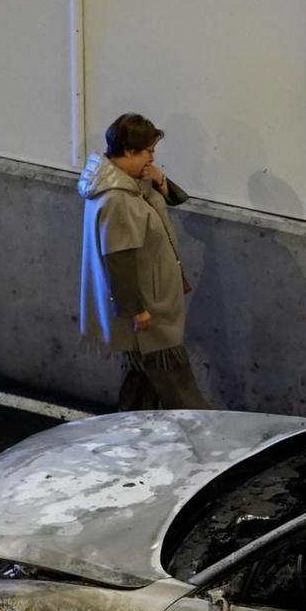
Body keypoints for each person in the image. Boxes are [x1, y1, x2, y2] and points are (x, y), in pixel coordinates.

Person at [77, 113, 209, 411]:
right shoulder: (117, 198)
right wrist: (136, 310)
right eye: (148, 152)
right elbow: (118, 259)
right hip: (149, 308)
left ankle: (128, 441)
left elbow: (175, 199)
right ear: (129, 151)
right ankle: (208, 441)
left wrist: (159, 179)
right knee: (179, 387)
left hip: (153, 301)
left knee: (141, 385)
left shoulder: (132, 183)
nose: (152, 158)